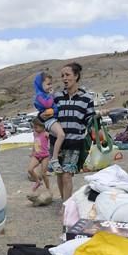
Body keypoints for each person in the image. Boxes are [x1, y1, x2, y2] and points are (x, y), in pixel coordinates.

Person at [48, 62, 96, 202]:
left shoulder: (86, 98)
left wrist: (95, 126)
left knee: (67, 175)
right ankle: (64, 201)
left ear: (76, 76)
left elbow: (89, 118)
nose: (64, 78)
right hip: (56, 142)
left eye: (67, 75)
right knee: (59, 174)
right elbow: (49, 115)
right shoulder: (56, 97)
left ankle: (66, 206)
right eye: (62, 75)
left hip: (75, 143)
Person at [32, 72, 65, 172]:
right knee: (61, 135)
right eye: (48, 84)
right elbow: (47, 104)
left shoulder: (44, 94)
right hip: (50, 120)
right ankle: (54, 159)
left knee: (56, 139)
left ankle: (53, 158)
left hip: (54, 119)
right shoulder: (39, 96)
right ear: (40, 84)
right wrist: (51, 96)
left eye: (51, 84)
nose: (50, 86)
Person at [26, 118, 51, 198]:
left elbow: (52, 141)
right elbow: (35, 142)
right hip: (36, 155)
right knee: (30, 169)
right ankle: (37, 182)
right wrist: (32, 152)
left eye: (36, 127)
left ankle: (48, 188)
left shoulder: (46, 134)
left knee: (44, 174)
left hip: (45, 156)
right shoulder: (35, 134)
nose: (35, 129)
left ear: (42, 127)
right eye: (34, 127)